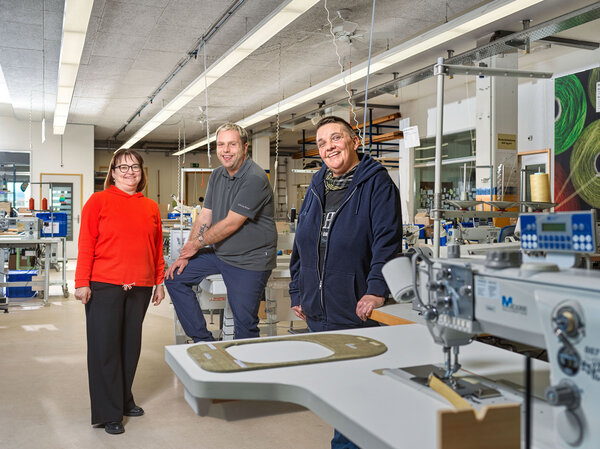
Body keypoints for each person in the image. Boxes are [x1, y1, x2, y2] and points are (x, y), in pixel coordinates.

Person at [289, 116, 402, 449]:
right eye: (322, 143)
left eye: (336, 138)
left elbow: (387, 242)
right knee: (337, 392)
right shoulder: (317, 185)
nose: (329, 147)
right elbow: (302, 242)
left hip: (354, 308)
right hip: (318, 310)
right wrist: (298, 289)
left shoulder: (377, 184)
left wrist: (376, 289)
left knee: (355, 395)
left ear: (355, 141)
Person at [75, 149, 165, 435]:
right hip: (104, 284)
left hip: (140, 286)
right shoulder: (98, 201)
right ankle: (108, 412)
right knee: (105, 349)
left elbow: (156, 247)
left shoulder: (150, 206)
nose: (129, 172)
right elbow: (86, 242)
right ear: (112, 173)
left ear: (141, 172)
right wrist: (81, 281)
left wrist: (159, 281)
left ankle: (124, 399)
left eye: (134, 166)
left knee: (129, 347)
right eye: (122, 167)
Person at [165, 122, 277, 341]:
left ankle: (246, 361)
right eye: (221, 145)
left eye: (232, 144)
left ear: (245, 147)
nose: (225, 150)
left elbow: (231, 223)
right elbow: (205, 215)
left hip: (250, 259)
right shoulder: (217, 175)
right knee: (175, 278)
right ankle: (203, 342)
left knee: (244, 322)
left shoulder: (255, 178)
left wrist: (197, 244)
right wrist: (187, 252)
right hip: (221, 253)